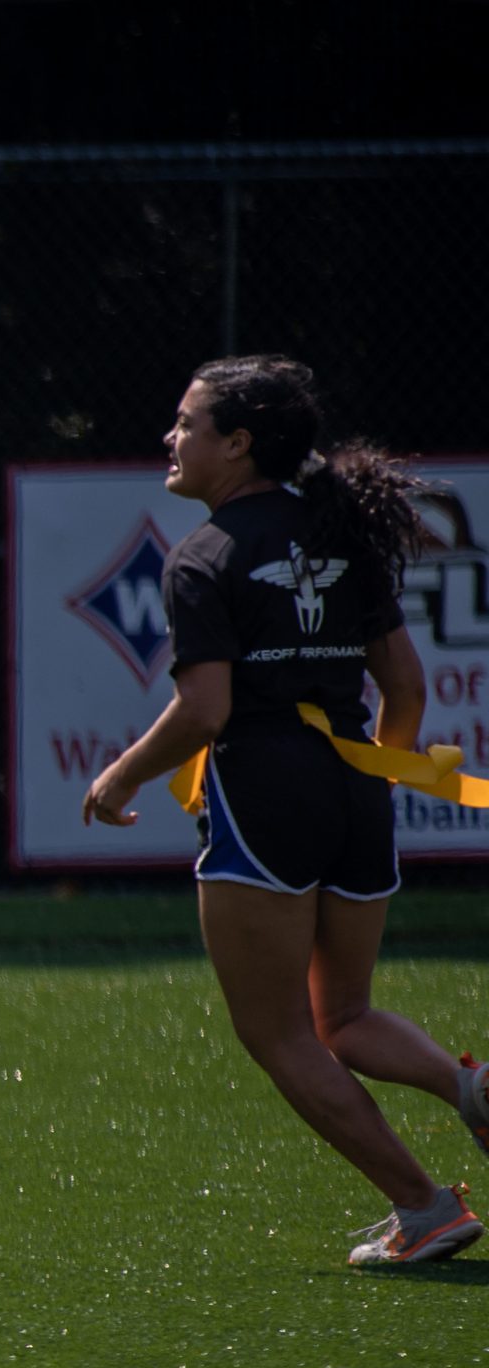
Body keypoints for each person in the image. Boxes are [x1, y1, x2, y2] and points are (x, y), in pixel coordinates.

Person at [84, 354, 489, 1266]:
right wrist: (376, 783)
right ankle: (474, 1092)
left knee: (279, 1034)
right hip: (356, 792)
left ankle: (424, 1207)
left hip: (264, 800)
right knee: (346, 1014)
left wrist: (120, 778)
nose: (171, 439)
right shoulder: (340, 531)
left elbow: (207, 712)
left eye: (187, 424)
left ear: (238, 443)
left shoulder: (205, 555)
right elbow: (405, 685)